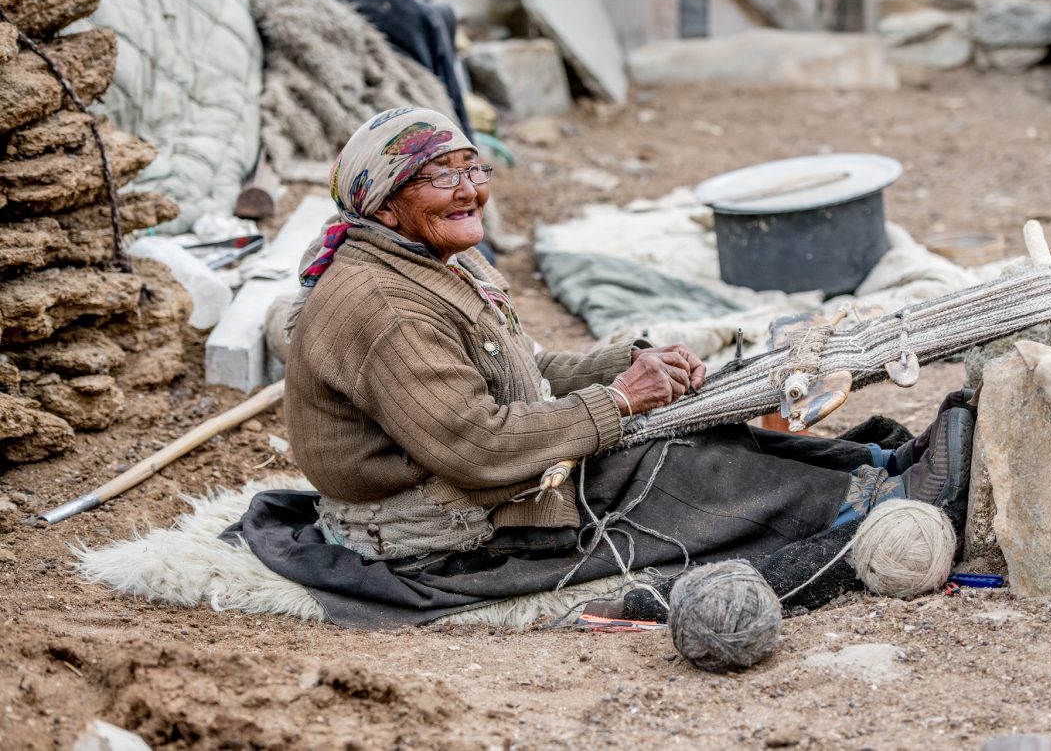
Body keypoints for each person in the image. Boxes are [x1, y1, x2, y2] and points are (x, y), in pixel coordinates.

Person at [242, 107, 975, 628]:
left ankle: (874, 464)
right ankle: (865, 502)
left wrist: (628, 363)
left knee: (691, 422)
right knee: (664, 460)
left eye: (474, 167)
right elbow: (474, 444)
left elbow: (522, 370)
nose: (469, 190)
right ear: (386, 203)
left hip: (463, 470)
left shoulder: (437, 261)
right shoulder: (386, 305)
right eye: (440, 177)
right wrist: (616, 403)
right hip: (442, 522)